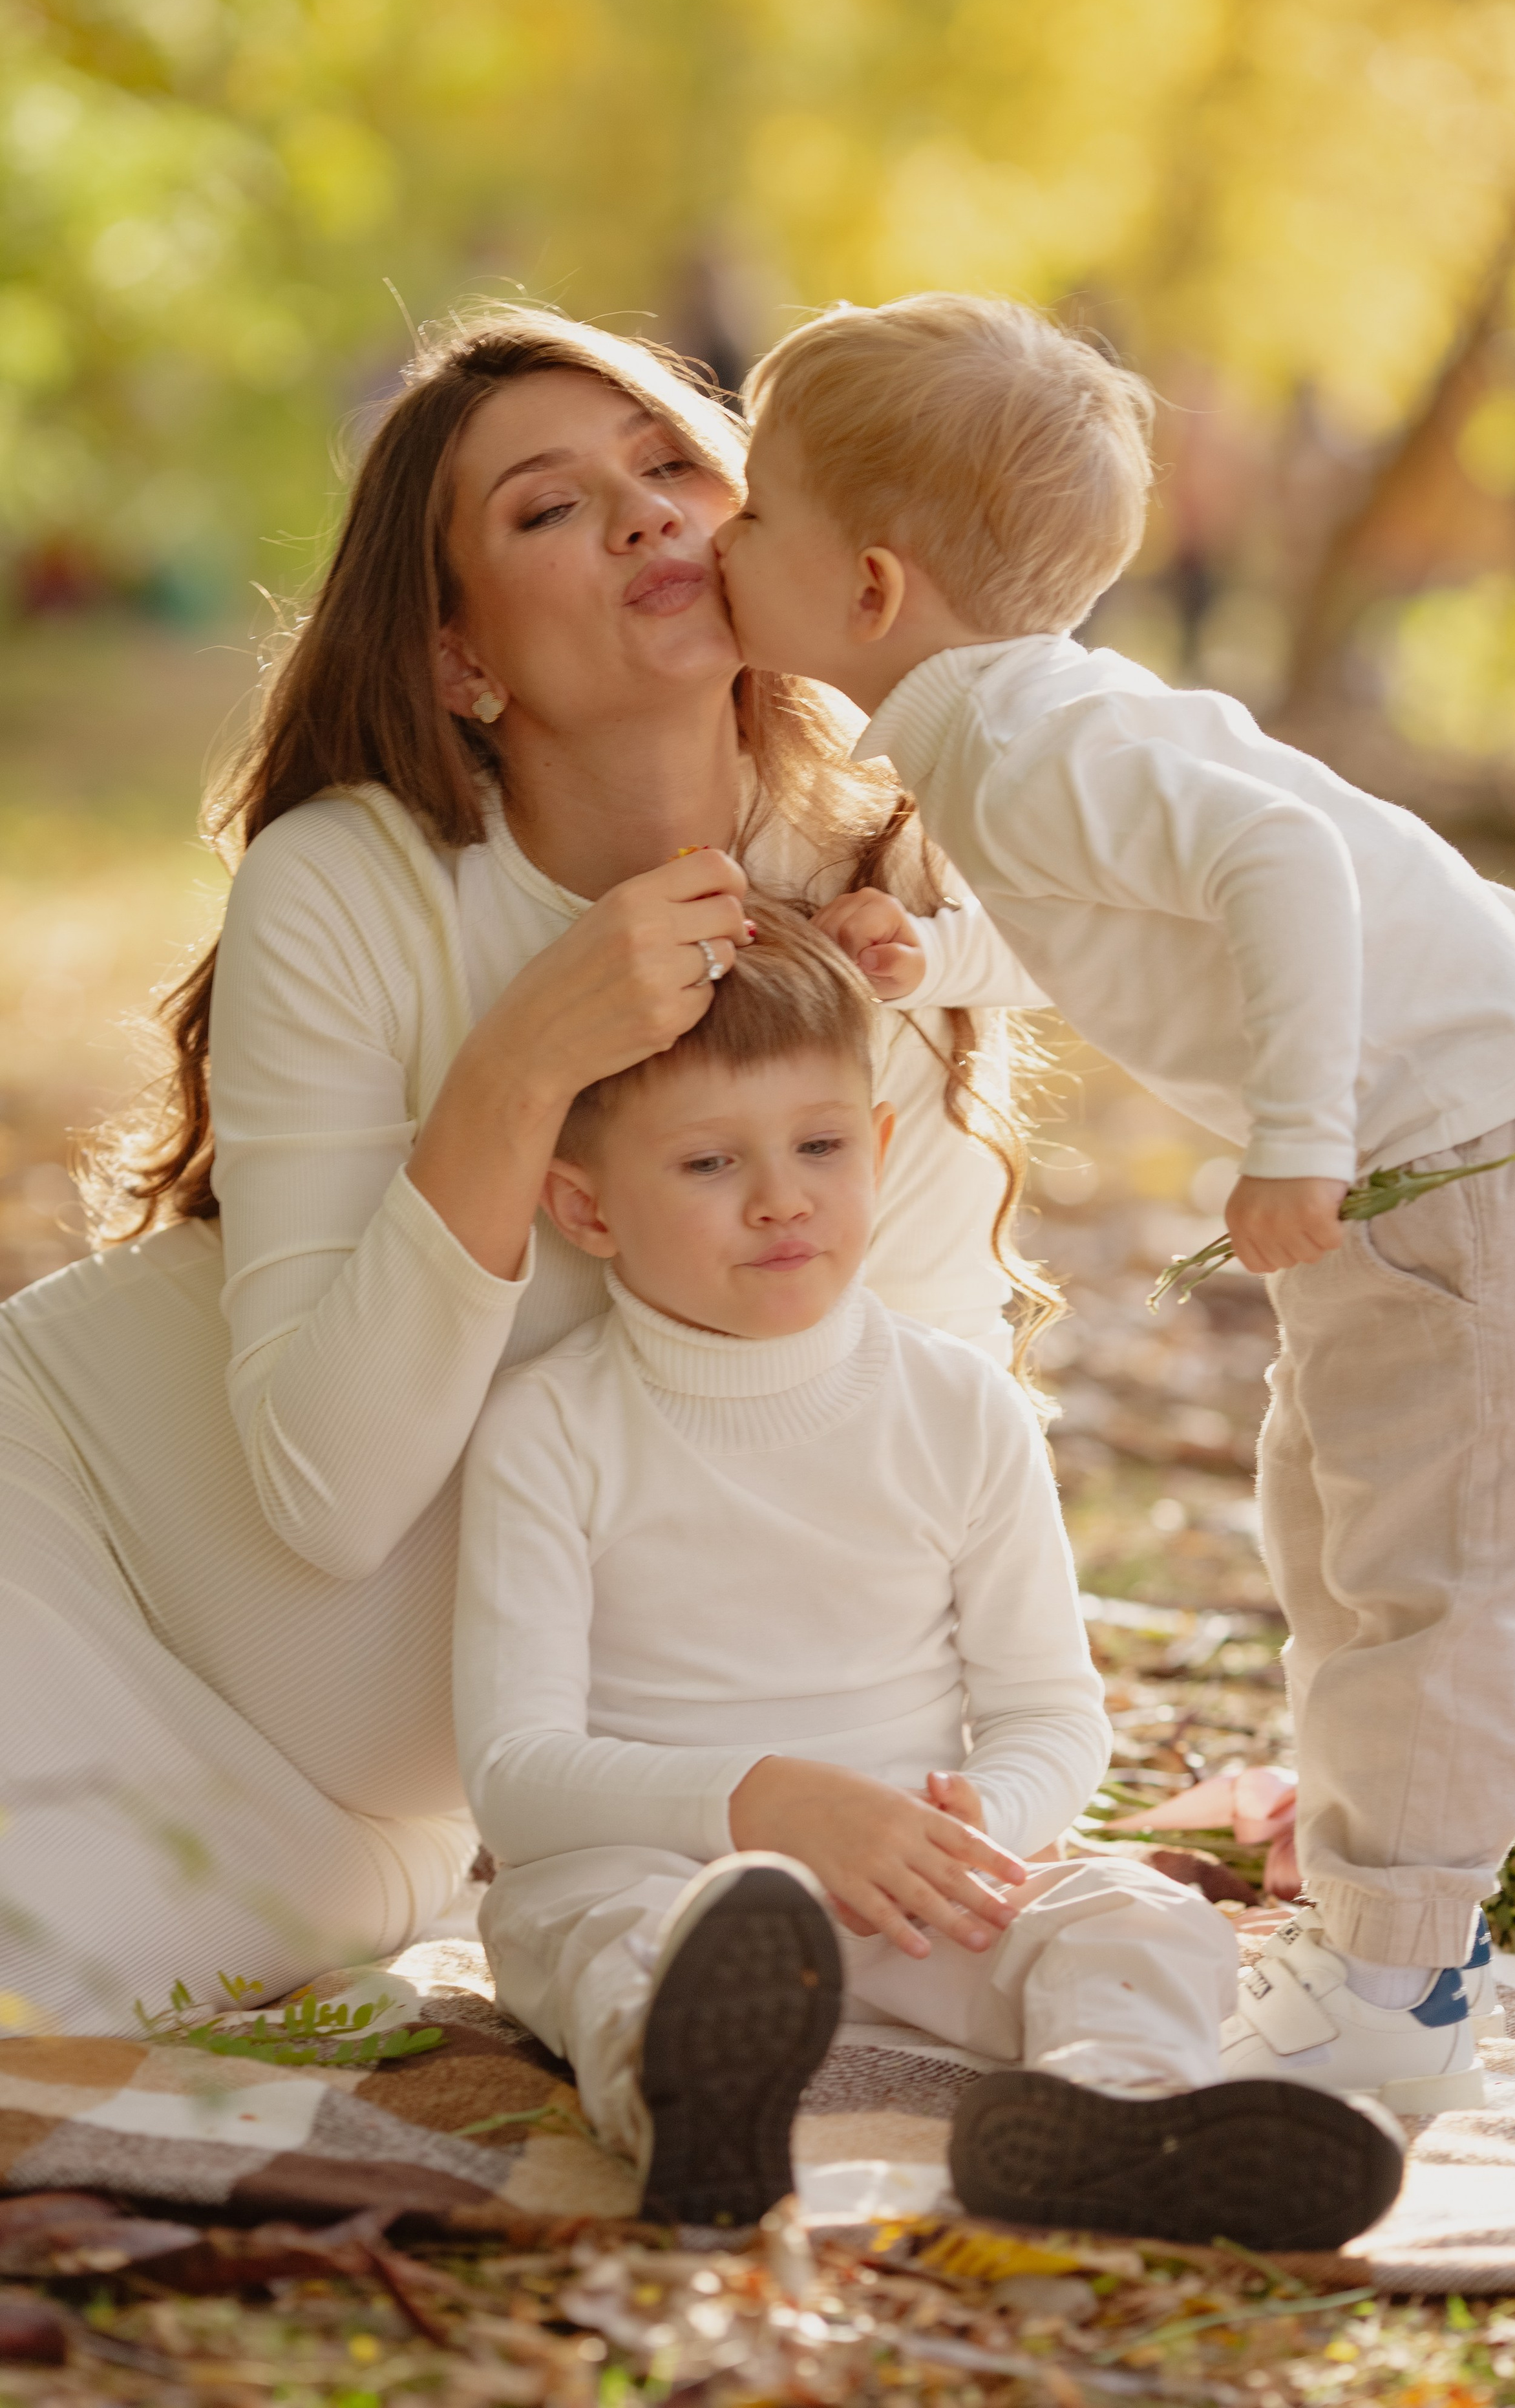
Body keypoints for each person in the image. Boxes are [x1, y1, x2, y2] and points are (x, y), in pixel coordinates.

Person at [0, 307, 1046, 2037]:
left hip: (377, 1824)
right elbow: (327, 1496)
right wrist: (518, 1067)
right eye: (547, 511)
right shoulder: (353, 886)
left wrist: (858, 1814)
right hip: (69, 1548)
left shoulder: (881, 901)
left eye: (668, 472)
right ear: (453, 657)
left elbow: (906, 1454)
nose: (642, 519)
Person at [715, 291, 1515, 2116]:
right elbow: (1135, 914)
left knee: (1429, 1582)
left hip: (1477, 1138)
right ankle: (1389, 1936)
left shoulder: (1021, 743)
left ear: (876, 591)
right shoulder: (1013, 724)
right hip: (1459, 1127)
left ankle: (1397, 1994)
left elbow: (1279, 861)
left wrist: (1295, 1136)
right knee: (1333, 1529)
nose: (718, 539)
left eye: (756, 513)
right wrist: (947, 951)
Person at [456, 901, 1406, 2244]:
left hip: (916, 1878)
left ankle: (1115, 2115)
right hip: (657, 1869)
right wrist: (760, 1807)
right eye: (710, 1162)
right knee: (592, 1935)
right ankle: (688, 2114)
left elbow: (1049, 1718)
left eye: (821, 1146)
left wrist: (982, 1830)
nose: (782, 1196)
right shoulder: (551, 1428)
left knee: (1131, 1912)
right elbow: (515, 1774)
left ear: (882, 1150)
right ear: (584, 1206)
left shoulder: (956, 1408)